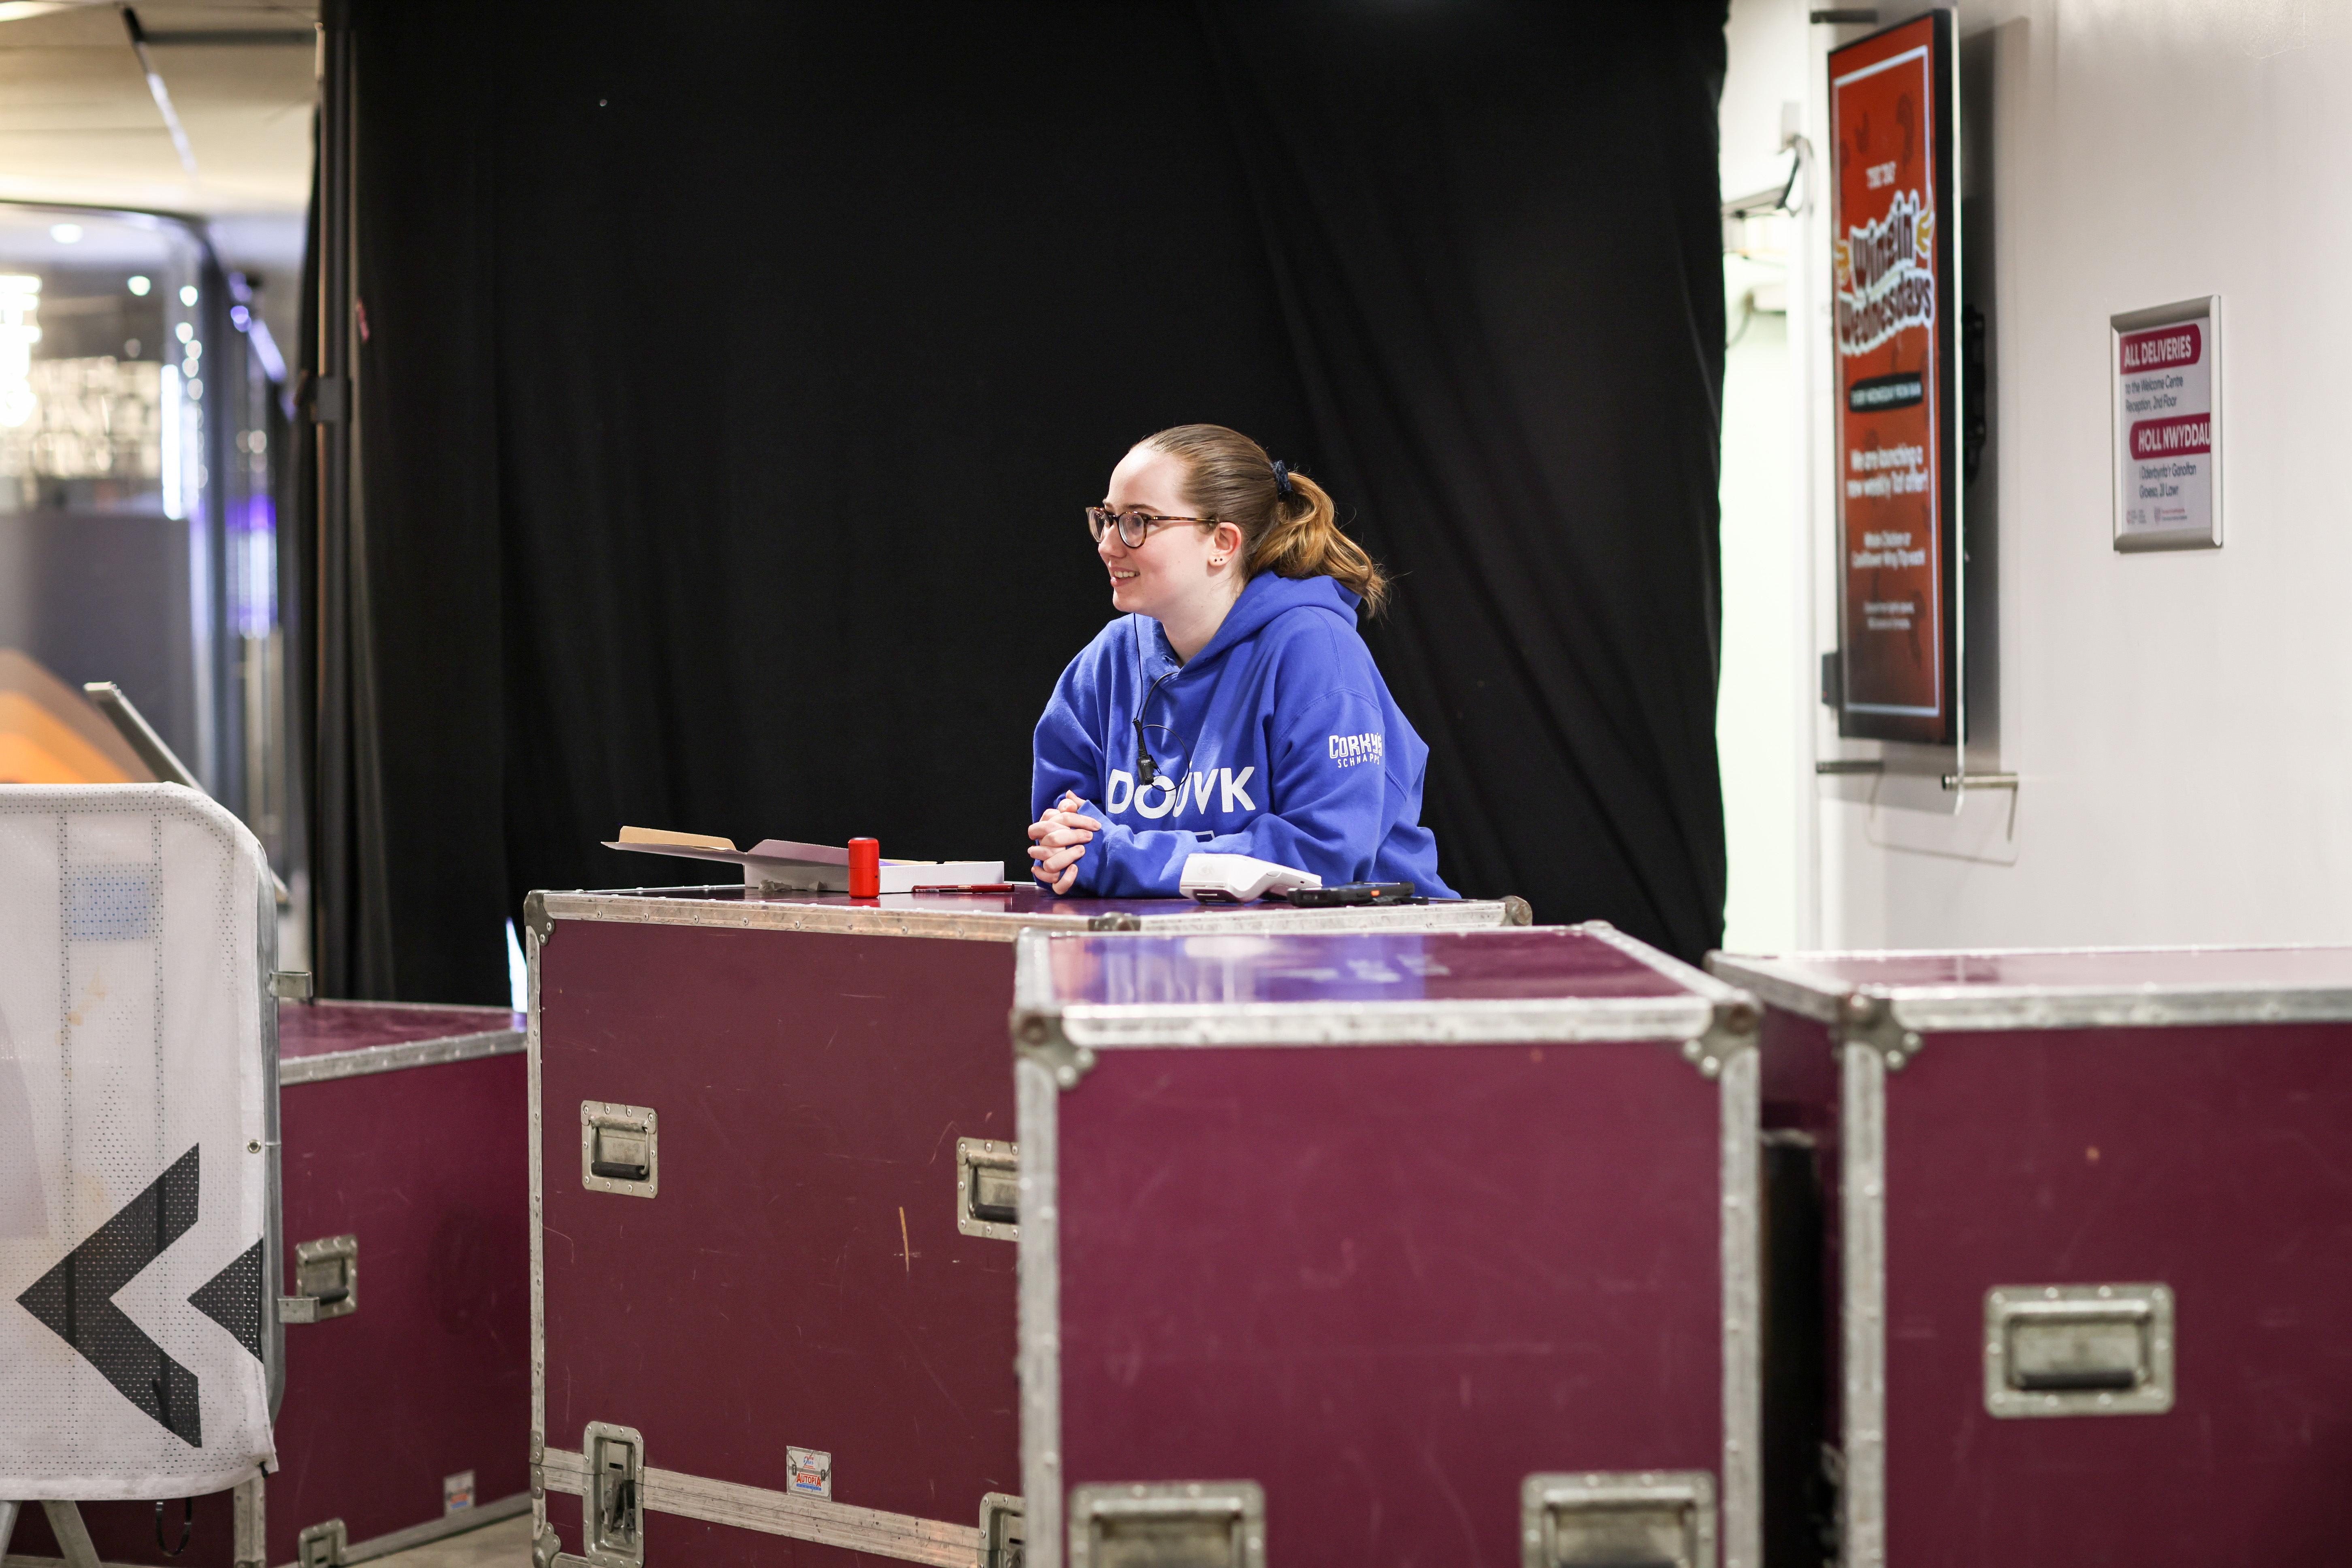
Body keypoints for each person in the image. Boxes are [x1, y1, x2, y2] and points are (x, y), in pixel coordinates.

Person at [1027, 423, 1454, 898]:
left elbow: (1322, 858)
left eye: (1139, 521)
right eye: (1106, 517)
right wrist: (1081, 854)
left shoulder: (1316, 650)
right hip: (1182, 953)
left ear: (1223, 543)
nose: (1108, 544)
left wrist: (1125, 857)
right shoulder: (1107, 660)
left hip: (1359, 954)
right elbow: (1063, 841)